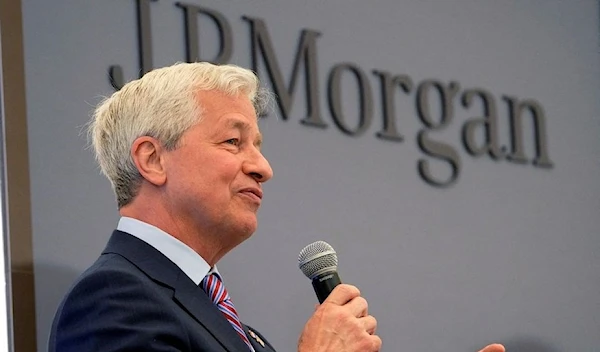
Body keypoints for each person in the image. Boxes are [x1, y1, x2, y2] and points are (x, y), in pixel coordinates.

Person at [48, 62, 504, 352]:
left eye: (258, 145)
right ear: (153, 159)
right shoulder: (112, 300)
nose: (263, 167)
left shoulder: (229, 324)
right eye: (233, 141)